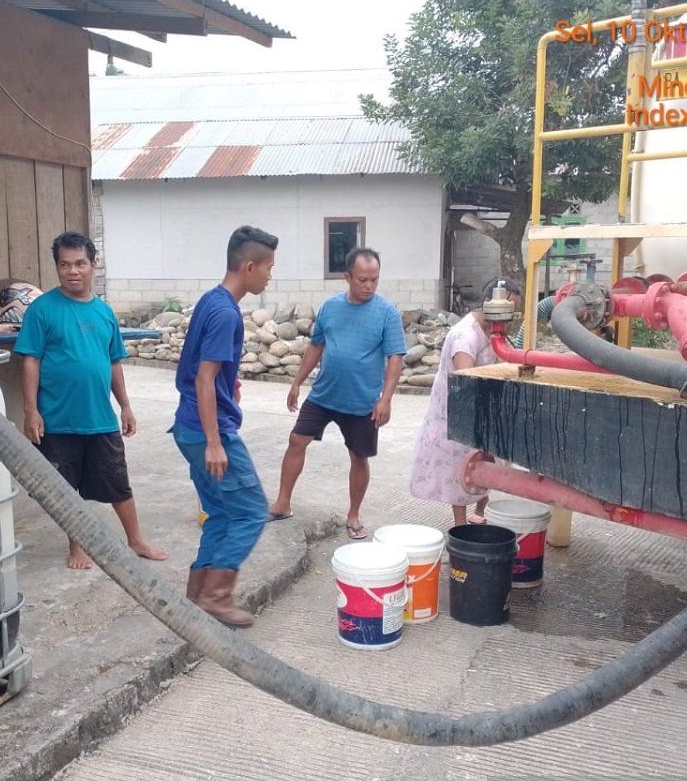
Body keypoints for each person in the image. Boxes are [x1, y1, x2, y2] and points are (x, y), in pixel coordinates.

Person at [15, 231, 167, 569]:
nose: (72, 271)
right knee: (66, 487)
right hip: (57, 418)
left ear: (92, 265)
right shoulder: (42, 310)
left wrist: (125, 405)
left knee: (117, 480)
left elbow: (113, 361)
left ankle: (136, 539)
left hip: (99, 417)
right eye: (64, 264)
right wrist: (31, 410)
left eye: (80, 263)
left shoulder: (104, 312)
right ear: (56, 267)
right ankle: (77, 546)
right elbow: (30, 360)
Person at [173, 225, 277, 627]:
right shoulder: (224, 313)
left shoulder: (211, 300)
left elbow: (209, 375)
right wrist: (215, 442)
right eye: (268, 267)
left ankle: (196, 598)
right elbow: (203, 378)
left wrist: (228, 388)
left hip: (189, 426)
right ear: (249, 266)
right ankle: (217, 597)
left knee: (219, 513)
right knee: (251, 512)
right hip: (206, 432)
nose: (269, 275)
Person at [269, 248, 406, 540]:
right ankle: (282, 503)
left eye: (374, 280)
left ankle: (354, 514)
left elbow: (396, 357)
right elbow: (316, 346)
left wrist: (386, 400)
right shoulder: (330, 308)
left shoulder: (387, 313)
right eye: (362, 279)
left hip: (362, 402)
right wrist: (297, 382)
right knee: (296, 440)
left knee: (358, 456)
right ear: (347, 277)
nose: (369, 286)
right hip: (324, 395)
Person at [409, 305, 507, 525]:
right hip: (460, 412)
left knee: (488, 463)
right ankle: (460, 529)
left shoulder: (493, 329)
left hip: (481, 410)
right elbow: (465, 381)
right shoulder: (465, 337)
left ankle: (480, 512)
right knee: (462, 471)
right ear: (489, 304)